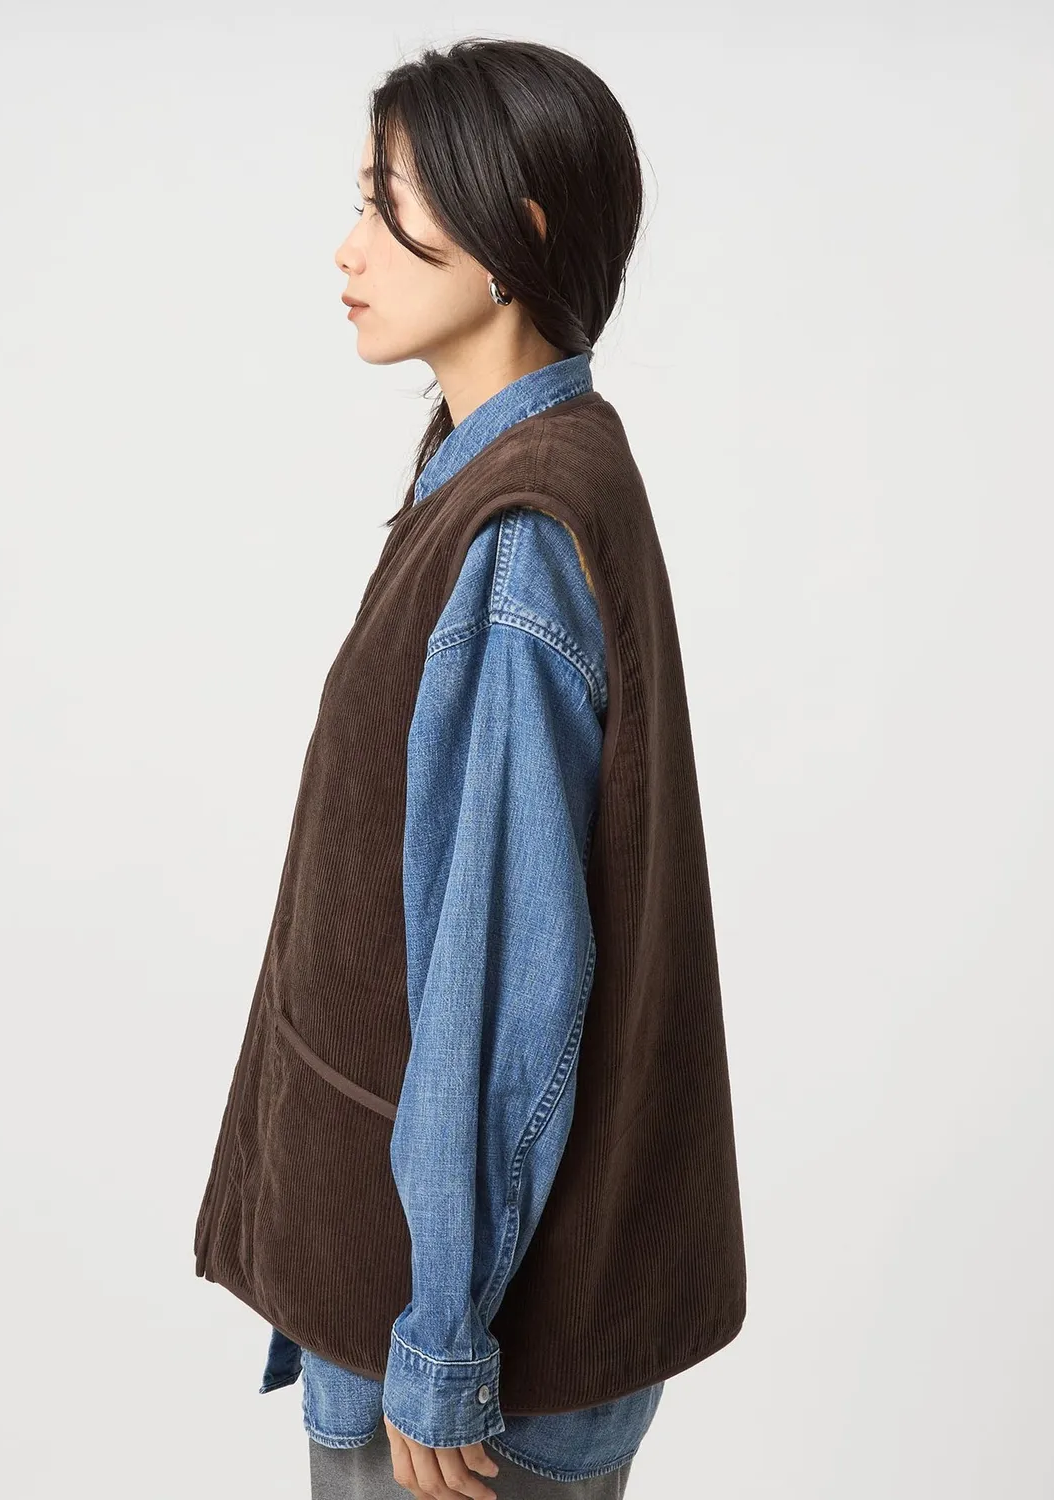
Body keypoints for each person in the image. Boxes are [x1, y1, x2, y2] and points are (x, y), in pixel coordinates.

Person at [193, 37, 746, 1500]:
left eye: (391, 205)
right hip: (448, 1293)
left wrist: (441, 1336)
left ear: (520, 232)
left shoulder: (518, 536)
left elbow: (501, 975)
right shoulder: (529, 467)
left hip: (466, 1347)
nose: (349, 248)